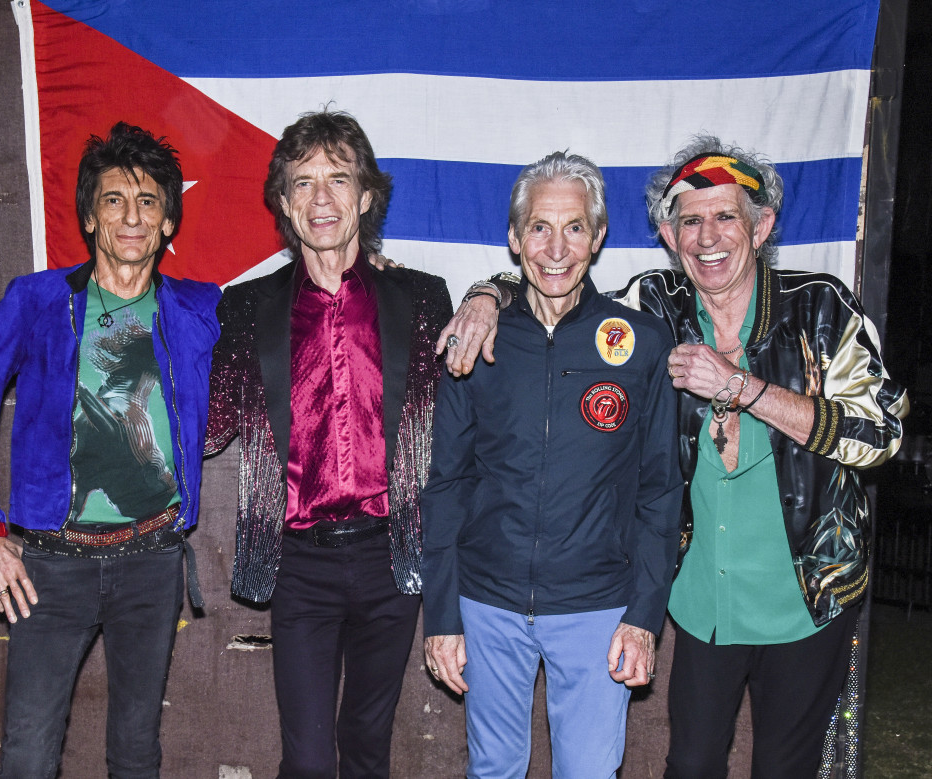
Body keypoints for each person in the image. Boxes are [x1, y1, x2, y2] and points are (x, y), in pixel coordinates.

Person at [438, 137, 909, 778]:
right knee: (689, 764)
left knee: (783, 767)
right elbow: (556, 285)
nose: (707, 236)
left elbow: (882, 435)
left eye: (725, 216)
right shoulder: (650, 310)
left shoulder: (821, 307)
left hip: (806, 593)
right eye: (690, 220)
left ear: (762, 224)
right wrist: (487, 294)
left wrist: (746, 389)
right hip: (702, 603)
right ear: (667, 232)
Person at [0, 122, 221, 778]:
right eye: (115, 199)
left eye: (149, 201)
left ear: (168, 222)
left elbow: (285, 316)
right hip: (49, 568)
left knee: (134, 751)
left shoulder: (198, 310)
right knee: (30, 754)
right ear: (90, 217)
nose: (132, 214)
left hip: (152, 564)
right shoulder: (36, 302)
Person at [206, 110, 453, 779]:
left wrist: (495, 289)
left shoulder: (423, 298)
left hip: (391, 557)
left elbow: (468, 411)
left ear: (366, 196)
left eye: (338, 179)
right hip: (300, 565)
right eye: (303, 182)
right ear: (284, 203)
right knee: (310, 760)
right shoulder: (246, 307)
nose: (321, 198)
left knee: (368, 746)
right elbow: (208, 426)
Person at [421, 151, 683, 778]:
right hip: (488, 603)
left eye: (573, 228)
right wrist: (443, 615)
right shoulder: (476, 341)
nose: (556, 248)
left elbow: (660, 492)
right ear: (515, 239)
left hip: (598, 608)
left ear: (597, 237)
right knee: (493, 772)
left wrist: (645, 615)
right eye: (540, 227)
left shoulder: (641, 343)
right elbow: (447, 483)